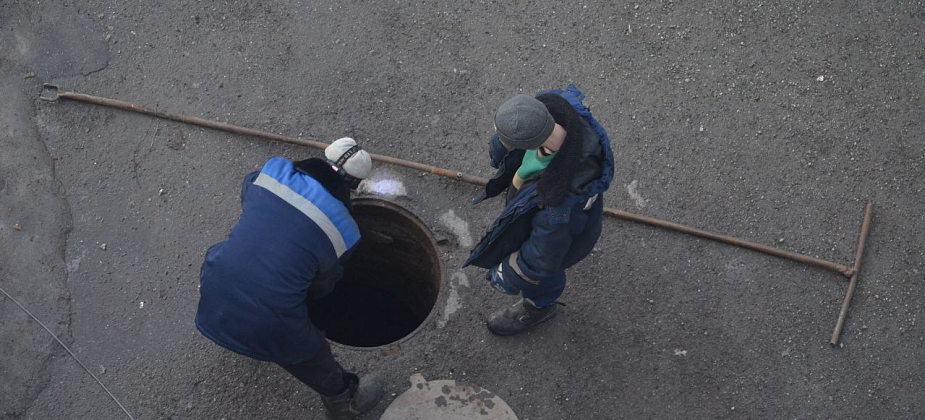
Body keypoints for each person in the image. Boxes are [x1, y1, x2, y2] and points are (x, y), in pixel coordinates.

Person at [195, 138, 383, 419]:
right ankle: (344, 402)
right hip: (268, 322)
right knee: (311, 351)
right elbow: (323, 285)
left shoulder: (273, 171)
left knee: (234, 258)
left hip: (214, 283)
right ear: (354, 186)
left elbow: (248, 191)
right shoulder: (346, 232)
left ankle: (239, 323)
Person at [465, 85, 615, 336]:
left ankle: (539, 307)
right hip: (548, 214)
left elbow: (542, 257)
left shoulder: (556, 209)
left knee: (544, 278)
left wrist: (510, 275)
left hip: (558, 241)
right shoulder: (554, 116)